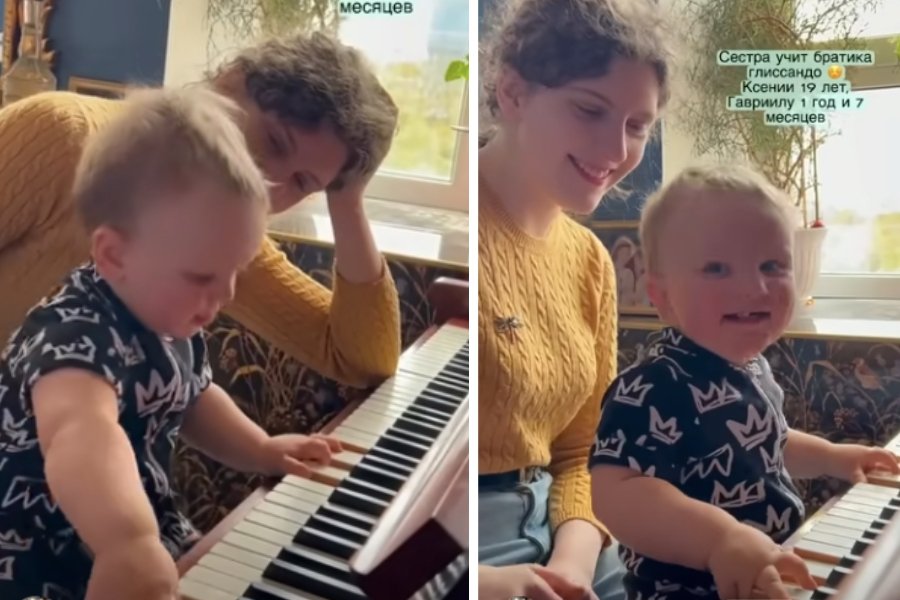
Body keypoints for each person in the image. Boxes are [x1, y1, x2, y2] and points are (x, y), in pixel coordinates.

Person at [0, 86, 346, 600]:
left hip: (150, 544)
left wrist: (261, 449)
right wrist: (127, 543)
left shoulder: (165, 312)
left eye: (235, 271)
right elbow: (80, 433)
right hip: (50, 566)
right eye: (203, 274)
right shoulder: (71, 336)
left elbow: (193, 397)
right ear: (115, 255)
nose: (225, 294)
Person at [0, 32, 400, 387]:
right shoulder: (60, 135)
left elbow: (361, 360)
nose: (269, 183)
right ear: (230, 83)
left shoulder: (224, 243)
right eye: (275, 142)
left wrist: (346, 199)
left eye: (302, 182)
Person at [589, 164, 900, 600]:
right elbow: (616, 494)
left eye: (773, 265)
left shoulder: (752, 367)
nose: (754, 286)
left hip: (764, 574)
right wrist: (720, 540)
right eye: (717, 268)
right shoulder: (650, 387)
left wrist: (834, 457)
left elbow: (768, 444)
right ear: (661, 296)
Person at [477, 0, 673, 598]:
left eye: (637, 125)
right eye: (590, 109)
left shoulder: (591, 262)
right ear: (512, 93)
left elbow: (586, 451)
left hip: (570, 539)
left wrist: (571, 565)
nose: (616, 149)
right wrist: (486, 583)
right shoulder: (471, 233)